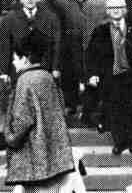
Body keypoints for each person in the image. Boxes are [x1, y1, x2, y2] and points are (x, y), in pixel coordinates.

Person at [5, 31, 86, 192]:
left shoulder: (25, 81)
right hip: (54, 154)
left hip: (34, 156)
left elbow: (22, 120)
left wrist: (10, 137)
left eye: (15, 58)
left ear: (26, 58)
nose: (13, 63)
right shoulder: (47, 77)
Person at [87, 0, 132, 155]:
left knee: (131, 108)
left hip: (131, 75)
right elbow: (91, 54)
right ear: (108, 12)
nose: (116, 10)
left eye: (119, 7)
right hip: (110, 76)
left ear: (125, 10)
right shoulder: (100, 30)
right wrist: (92, 74)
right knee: (114, 109)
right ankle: (119, 142)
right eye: (112, 8)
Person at [53, 0, 88, 114]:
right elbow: (57, 26)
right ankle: (70, 104)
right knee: (69, 74)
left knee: (84, 71)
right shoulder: (61, 3)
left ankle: (85, 106)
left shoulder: (87, 1)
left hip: (85, 42)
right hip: (68, 43)